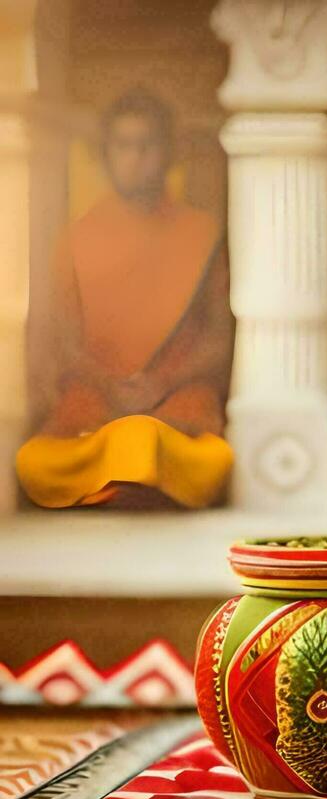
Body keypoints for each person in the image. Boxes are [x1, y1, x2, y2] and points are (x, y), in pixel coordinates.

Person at [16, 89, 233, 509]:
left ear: (169, 152)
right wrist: (112, 389)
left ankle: (117, 484)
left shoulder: (201, 235)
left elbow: (219, 341)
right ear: (106, 154)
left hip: (176, 404)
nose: (135, 158)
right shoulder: (77, 237)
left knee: (162, 444)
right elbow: (63, 341)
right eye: (123, 146)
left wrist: (160, 385)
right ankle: (135, 483)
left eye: (146, 145)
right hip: (95, 403)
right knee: (34, 462)